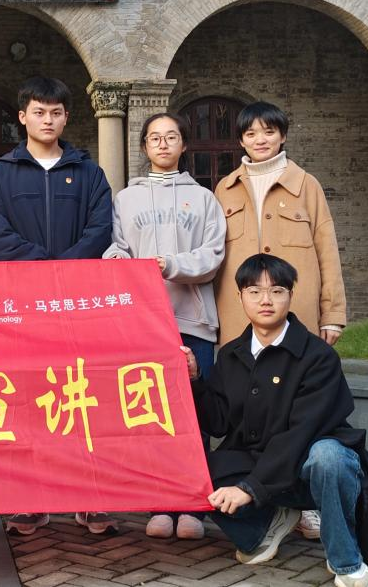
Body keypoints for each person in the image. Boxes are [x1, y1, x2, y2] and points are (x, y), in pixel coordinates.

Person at [183, 254, 368, 587]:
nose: (266, 300)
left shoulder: (318, 356)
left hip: (308, 468)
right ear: (240, 297)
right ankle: (266, 525)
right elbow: (218, 423)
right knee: (192, 469)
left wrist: (250, 488)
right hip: (260, 465)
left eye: (276, 291)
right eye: (255, 291)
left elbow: (302, 432)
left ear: (290, 295)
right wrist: (195, 380)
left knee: (329, 456)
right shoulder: (231, 355)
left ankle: (345, 559)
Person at [0, 76, 113, 537]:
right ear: (23, 117)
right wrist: (43, 269)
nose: (47, 120)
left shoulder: (90, 173)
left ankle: (89, 497)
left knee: (83, 400)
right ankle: (32, 499)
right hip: (22, 306)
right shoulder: (0, 174)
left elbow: (101, 228)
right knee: (28, 401)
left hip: (78, 304)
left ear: (66, 117)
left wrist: (66, 270)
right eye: (39, 112)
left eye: (56, 112)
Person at [214, 100, 347, 543]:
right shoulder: (224, 189)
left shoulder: (305, 184)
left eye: (269, 131)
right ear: (240, 140)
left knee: (300, 410)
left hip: (296, 315)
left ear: (283, 135)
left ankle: (305, 502)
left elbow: (327, 248)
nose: (260, 140)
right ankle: (262, 500)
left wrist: (333, 313)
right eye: (251, 133)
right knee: (247, 413)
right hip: (241, 319)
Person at [103, 111, 226, 541]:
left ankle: (194, 505)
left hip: (193, 319)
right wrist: (126, 265)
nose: (163, 144)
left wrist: (170, 264)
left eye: (171, 136)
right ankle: (160, 503)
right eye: (155, 137)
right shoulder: (126, 199)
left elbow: (213, 255)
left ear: (183, 145)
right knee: (152, 413)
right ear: (143, 146)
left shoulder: (204, 198)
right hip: (144, 322)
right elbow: (115, 248)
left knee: (195, 414)